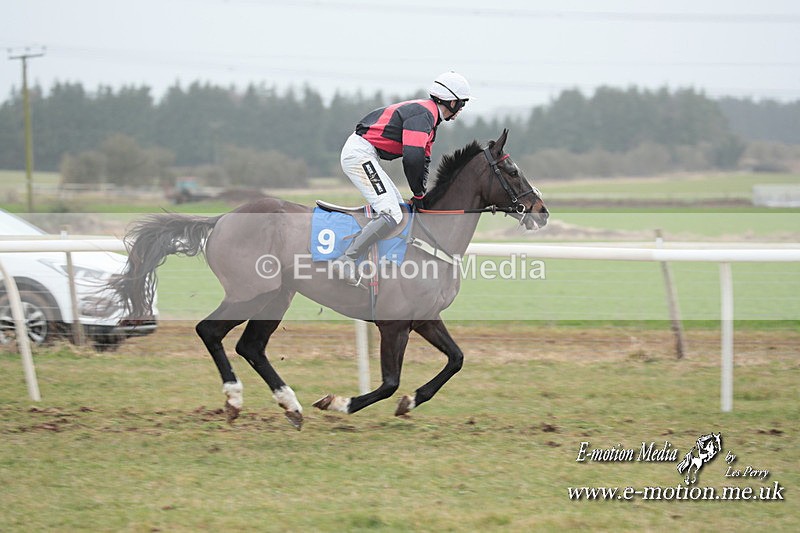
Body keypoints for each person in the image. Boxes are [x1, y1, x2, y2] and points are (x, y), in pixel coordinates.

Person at [332, 71, 472, 286]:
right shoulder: (423, 116)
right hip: (359, 154)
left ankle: (380, 262)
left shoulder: (430, 120)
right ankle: (347, 259)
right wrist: (417, 193)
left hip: (366, 153)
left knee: (398, 209)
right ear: (451, 101)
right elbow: (412, 158)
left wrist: (421, 194)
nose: (461, 109)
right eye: (461, 104)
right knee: (392, 212)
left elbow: (423, 161)